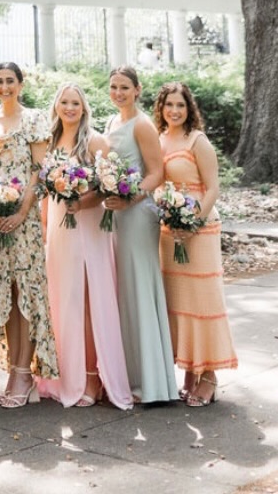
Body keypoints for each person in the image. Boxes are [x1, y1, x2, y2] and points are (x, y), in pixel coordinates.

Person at [36, 83, 131, 410]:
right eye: (64, 102)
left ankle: (92, 376)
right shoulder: (50, 141)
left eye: (75, 102)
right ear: (57, 105)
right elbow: (47, 191)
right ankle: (65, 374)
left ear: (84, 107)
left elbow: (111, 187)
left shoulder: (95, 142)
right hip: (60, 231)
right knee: (65, 299)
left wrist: (83, 200)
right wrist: (46, 225)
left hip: (89, 227)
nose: (70, 108)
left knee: (90, 300)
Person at [0, 61, 59, 407]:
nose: (5, 86)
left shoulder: (35, 119)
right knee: (3, 293)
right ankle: (11, 368)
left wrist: (23, 210)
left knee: (25, 290)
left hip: (23, 220)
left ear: (21, 84)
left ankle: (23, 374)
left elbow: (39, 170)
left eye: (10, 81)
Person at [153, 81, 237, 406]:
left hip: (199, 229)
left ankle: (210, 376)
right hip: (169, 230)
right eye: (169, 105)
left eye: (181, 105)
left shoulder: (197, 140)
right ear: (161, 108)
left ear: (189, 110)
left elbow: (213, 188)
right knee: (180, 303)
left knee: (203, 301)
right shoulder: (159, 140)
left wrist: (193, 223)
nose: (174, 111)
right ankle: (190, 371)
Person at [103, 66, 177, 404]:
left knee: (139, 286)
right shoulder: (110, 123)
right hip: (115, 213)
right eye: (114, 87)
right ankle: (129, 376)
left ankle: (153, 382)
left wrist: (130, 197)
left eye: (125, 87)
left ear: (137, 90)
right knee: (122, 290)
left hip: (137, 213)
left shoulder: (143, 125)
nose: (118, 92)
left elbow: (156, 172)